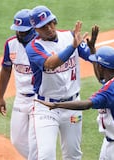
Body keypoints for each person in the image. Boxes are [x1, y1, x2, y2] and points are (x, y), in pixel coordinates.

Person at [25, 5, 99, 160]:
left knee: (73, 155)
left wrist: (92, 49)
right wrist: (73, 47)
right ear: (35, 30)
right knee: (46, 156)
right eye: (43, 27)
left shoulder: (70, 35)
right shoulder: (33, 47)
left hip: (72, 106)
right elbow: (51, 63)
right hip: (45, 108)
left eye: (51, 23)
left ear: (55, 21)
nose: (49, 28)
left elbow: (94, 60)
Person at [35, 46, 114, 160]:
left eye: (95, 63)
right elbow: (101, 79)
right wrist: (92, 49)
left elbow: (86, 104)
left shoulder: (110, 90)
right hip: (109, 143)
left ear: (100, 67)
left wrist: (57, 105)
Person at [0, 9, 36, 159]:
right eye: (17, 31)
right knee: (17, 140)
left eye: (23, 32)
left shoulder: (42, 44)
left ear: (33, 29)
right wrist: (1, 97)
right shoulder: (11, 44)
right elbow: (6, 69)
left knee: (35, 140)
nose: (19, 34)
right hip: (21, 98)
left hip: (39, 99)